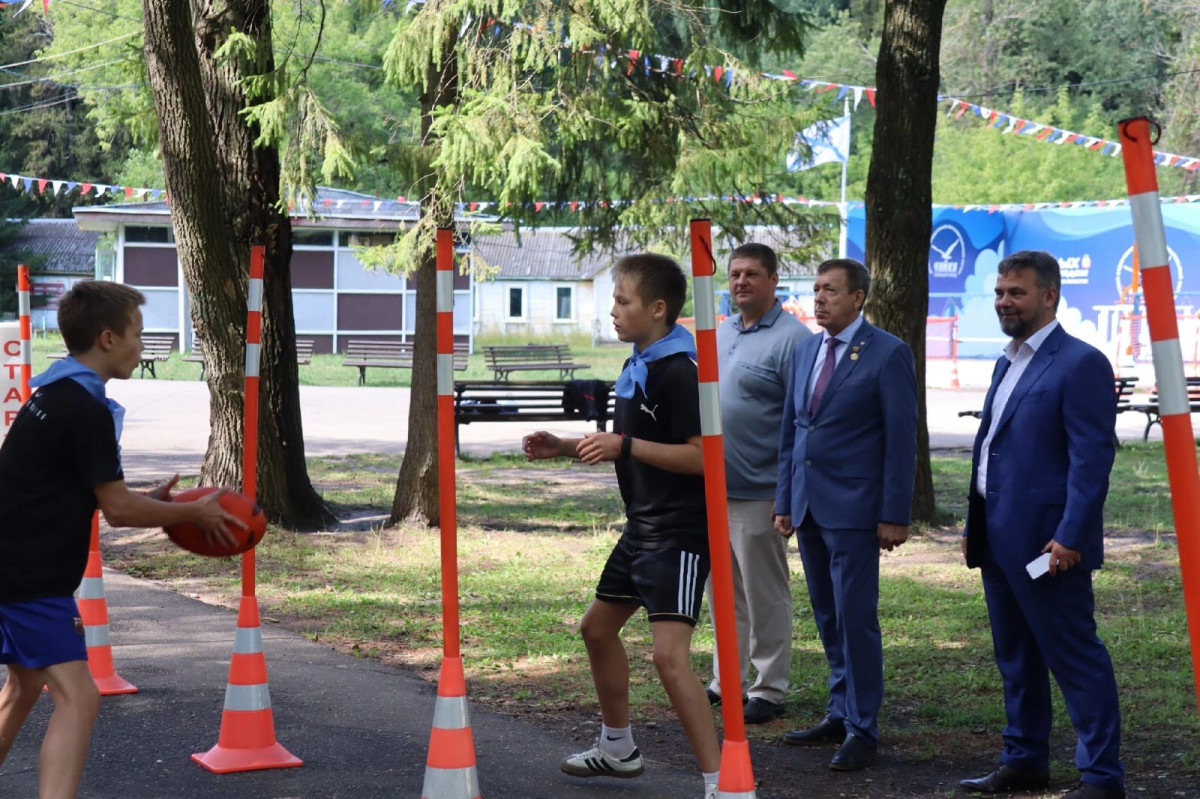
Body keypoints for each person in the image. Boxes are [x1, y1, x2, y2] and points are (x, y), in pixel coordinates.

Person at [0, 281, 242, 799]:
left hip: (13, 565)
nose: (142, 344)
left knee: (22, 688)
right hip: (28, 577)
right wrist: (195, 510)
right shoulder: (84, 410)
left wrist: (152, 498)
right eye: (137, 333)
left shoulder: (54, 394)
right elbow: (118, 510)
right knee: (79, 697)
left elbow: (87, 488)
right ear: (108, 338)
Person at [523, 253, 721, 799]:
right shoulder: (639, 363)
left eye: (622, 300)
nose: (612, 310)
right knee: (597, 629)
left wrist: (624, 443)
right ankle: (618, 749)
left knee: (667, 656)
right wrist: (567, 446)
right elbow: (630, 449)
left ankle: (723, 783)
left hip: (680, 534)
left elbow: (704, 458)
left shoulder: (681, 371)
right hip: (642, 530)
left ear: (658, 309)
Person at [959, 250, 1125, 799]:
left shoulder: (1080, 363)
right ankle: (1024, 759)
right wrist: (974, 523)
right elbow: (993, 448)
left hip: (1051, 546)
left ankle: (1101, 777)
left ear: (1049, 296)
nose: (1005, 302)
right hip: (999, 538)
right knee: (1017, 659)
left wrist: (1072, 535)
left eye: (1016, 293)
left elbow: (1091, 459)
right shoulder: (1007, 361)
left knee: (1075, 660)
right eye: (1000, 293)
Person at [773, 257, 917, 772]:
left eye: (830, 290)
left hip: (856, 509)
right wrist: (785, 501)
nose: (819, 299)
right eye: (815, 289)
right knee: (827, 614)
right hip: (809, 505)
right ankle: (839, 710)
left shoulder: (888, 353)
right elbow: (794, 430)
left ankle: (863, 727)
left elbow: (901, 440)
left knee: (855, 618)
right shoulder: (806, 348)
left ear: (858, 298)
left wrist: (894, 512)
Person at [704, 243, 811, 724]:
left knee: (764, 593)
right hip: (712, 488)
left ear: (773, 281)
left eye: (751, 274)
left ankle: (768, 688)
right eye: (734, 274)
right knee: (722, 594)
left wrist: (787, 493)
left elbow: (802, 421)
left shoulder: (794, 339)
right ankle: (726, 680)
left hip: (761, 489)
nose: (741, 281)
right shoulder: (723, 330)